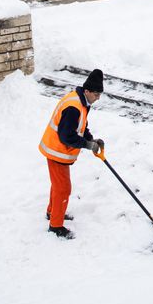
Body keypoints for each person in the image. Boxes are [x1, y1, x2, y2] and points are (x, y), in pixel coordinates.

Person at [39, 69, 105, 239]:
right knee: (63, 189)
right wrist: (87, 144)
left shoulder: (81, 102)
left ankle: (53, 212)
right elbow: (67, 136)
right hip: (57, 151)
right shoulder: (74, 107)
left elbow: (81, 126)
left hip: (60, 151)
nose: (98, 98)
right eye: (96, 94)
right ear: (88, 91)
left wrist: (92, 139)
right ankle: (55, 226)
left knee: (58, 185)